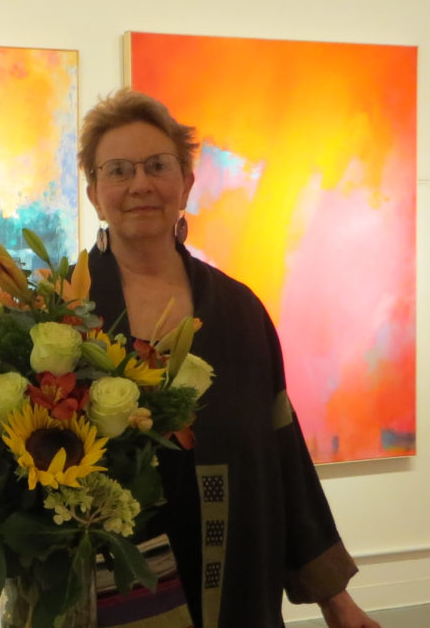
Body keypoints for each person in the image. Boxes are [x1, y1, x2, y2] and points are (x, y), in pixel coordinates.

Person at [79, 88, 382, 628]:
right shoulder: (61, 315)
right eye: (119, 170)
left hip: (238, 579)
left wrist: (335, 599)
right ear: (95, 194)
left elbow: (283, 454)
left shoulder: (239, 311)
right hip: (112, 597)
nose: (140, 184)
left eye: (157, 166)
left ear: (186, 184)